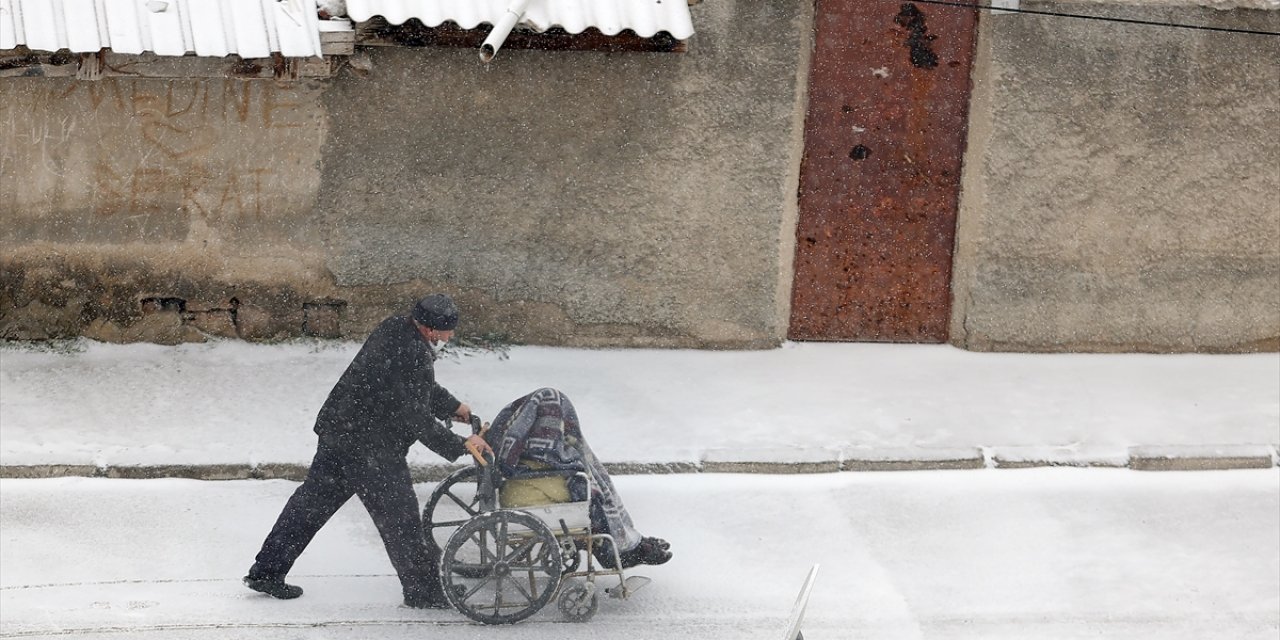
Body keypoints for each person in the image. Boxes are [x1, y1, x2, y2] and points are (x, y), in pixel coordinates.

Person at [243, 293, 493, 608]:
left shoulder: (395, 328)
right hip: (370, 447)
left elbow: (410, 387)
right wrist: (460, 444)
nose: (451, 336)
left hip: (339, 431)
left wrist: (453, 406)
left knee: (309, 507)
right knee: (400, 520)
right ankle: (423, 592)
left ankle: (266, 571)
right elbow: (412, 412)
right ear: (431, 330)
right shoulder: (414, 352)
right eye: (448, 331)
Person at [484, 387, 671, 568]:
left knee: (592, 485)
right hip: (528, 503)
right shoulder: (539, 466)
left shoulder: (524, 456)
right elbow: (569, 495)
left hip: (523, 497)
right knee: (593, 496)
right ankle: (618, 551)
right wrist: (590, 488)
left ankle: (632, 542)